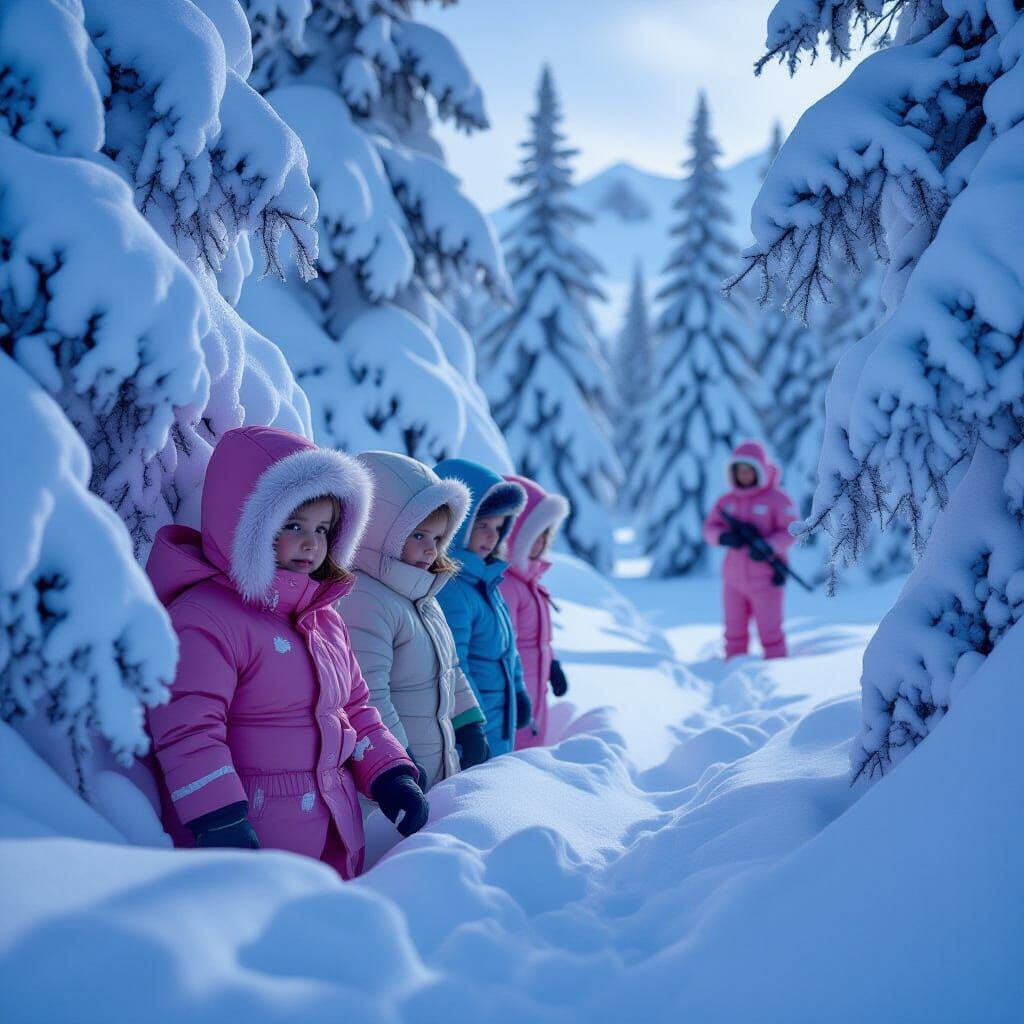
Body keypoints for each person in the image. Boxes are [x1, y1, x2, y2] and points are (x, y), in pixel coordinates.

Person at [145, 426, 428, 879]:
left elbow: (355, 708)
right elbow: (189, 728)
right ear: (245, 523)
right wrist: (218, 816)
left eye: (322, 529)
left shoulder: (323, 618)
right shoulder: (205, 618)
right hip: (250, 844)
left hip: (334, 837)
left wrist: (390, 773)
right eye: (293, 526)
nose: (312, 543)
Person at [339, 452, 489, 790]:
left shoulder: (424, 597)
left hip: (436, 767)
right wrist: (397, 761)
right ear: (376, 529)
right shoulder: (363, 600)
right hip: (392, 784)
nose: (431, 550)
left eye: (438, 539)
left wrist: (468, 723)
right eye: (419, 535)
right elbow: (369, 695)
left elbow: (450, 668)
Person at [432, 458, 529, 757]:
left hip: (500, 725)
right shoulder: (453, 590)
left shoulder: (487, 583)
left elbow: (508, 650)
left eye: (499, 527)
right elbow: (456, 665)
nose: (492, 536)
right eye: (482, 524)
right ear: (457, 524)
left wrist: (519, 688)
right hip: (478, 732)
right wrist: (474, 726)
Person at [703, 440, 798, 660]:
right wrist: (723, 537)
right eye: (739, 470)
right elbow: (709, 528)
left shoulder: (778, 499)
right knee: (733, 632)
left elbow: (792, 531)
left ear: (760, 470)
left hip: (766, 579)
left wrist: (768, 546)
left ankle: (777, 670)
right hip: (733, 580)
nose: (744, 475)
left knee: (770, 631)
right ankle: (734, 668)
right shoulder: (727, 502)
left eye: (749, 470)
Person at [499, 475, 571, 749]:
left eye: (546, 535)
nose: (542, 542)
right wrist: (516, 689)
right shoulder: (507, 585)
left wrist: (552, 663)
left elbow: (538, 639)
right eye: (536, 534)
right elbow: (505, 646)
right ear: (516, 533)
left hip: (535, 689)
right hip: (514, 696)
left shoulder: (531, 582)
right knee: (516, 756)